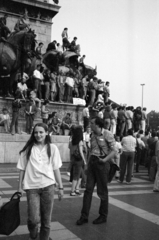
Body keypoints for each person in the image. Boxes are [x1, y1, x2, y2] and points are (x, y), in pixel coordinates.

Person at [17, 123, 64, 240]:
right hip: (31, 187)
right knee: (33, 219)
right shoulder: (28, 148)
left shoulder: (52, 148)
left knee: (46, 220)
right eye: (36, 132)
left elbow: (56, 168)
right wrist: (19, 187)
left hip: (48, 186)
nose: (38, 135)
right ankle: (33, 236)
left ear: (46, 133)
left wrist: (61, 187)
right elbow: (22, 169)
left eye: (41, 132)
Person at [76, 117, 116, 225]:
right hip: (93, 162)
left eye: (92, 123)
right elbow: (91, 151)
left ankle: (103, 216)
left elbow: (114, 151)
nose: (90, 125)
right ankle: (84, 216)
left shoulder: (107, 134)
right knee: (88, 190)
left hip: (102, 163)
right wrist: (87, 164)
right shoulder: (92, 135)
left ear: (98, 125)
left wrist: (104, 160)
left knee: (102, 191)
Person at [69, 126, 87, 196]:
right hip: (79, 160)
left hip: (74, 159)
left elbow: (71, 151)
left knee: (80, 175)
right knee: (76, 176)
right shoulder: (80, 142)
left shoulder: (72, 141)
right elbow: (81, 152)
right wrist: (84, 161)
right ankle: (72, 191)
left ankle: (77, 189)